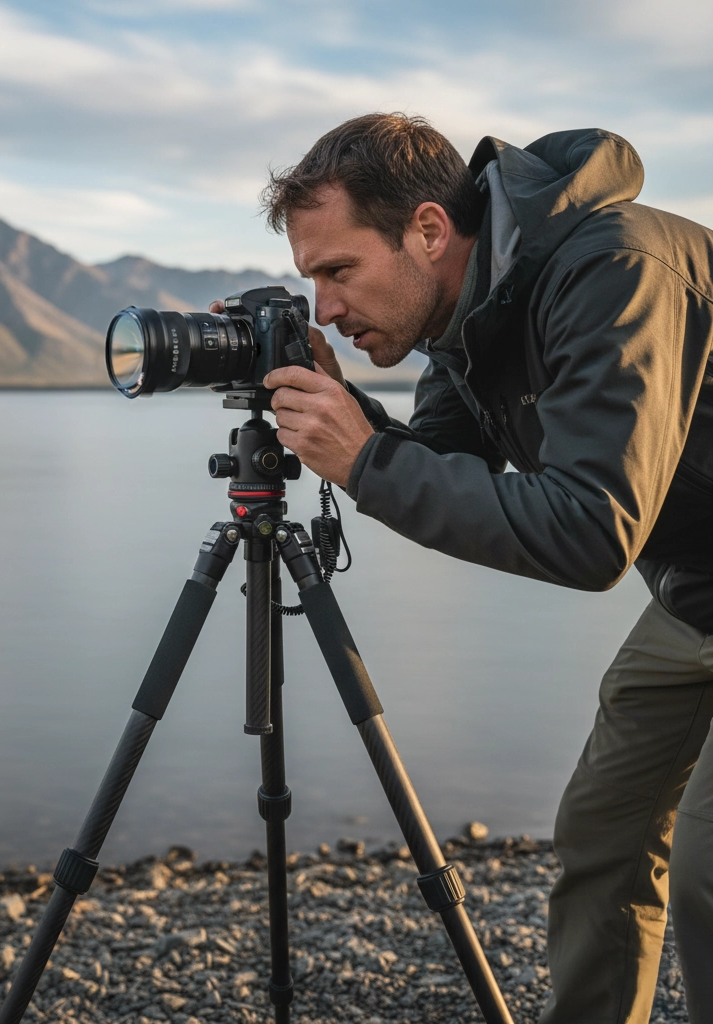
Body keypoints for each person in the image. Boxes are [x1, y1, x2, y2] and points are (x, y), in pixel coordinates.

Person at [255, 113, 713, 1024]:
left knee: (707, 866)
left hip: (671, 569)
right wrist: (349, 417)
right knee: (606, 835)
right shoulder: (470, 316)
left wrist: (366, 460)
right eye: (313, 281)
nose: (327, 312)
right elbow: (435, 463)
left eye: (339, 272)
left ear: (427, 230)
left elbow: (591, 534)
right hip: (696, 591)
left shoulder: (614, 270)